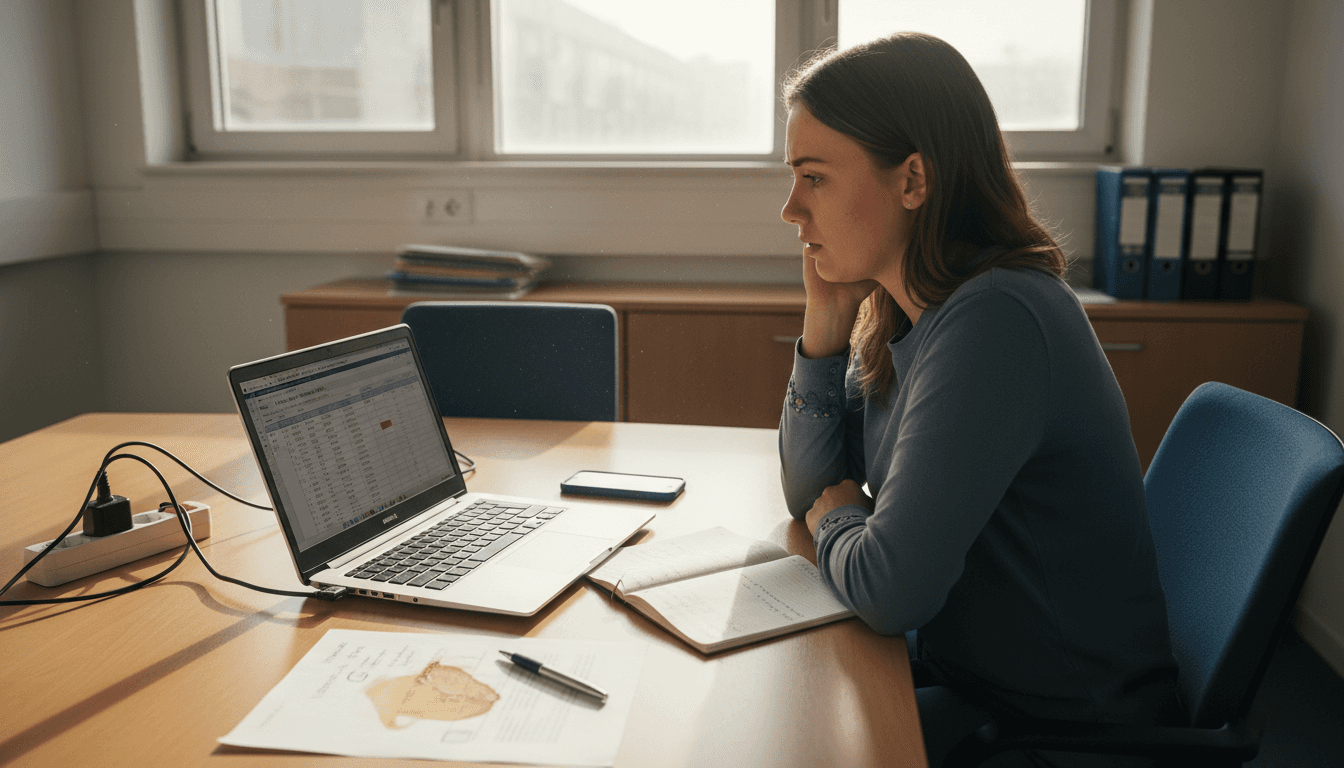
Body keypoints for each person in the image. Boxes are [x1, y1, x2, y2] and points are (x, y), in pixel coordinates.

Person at [778, 33, 1184, 767]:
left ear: (913, 181)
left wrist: (840, 517)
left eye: (814, 178)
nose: (790, 210)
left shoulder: (998, 319)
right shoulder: (907, 309)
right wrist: (824, 332)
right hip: (972, 683)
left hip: (1060, 731)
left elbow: (888, 587)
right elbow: (808, 487)